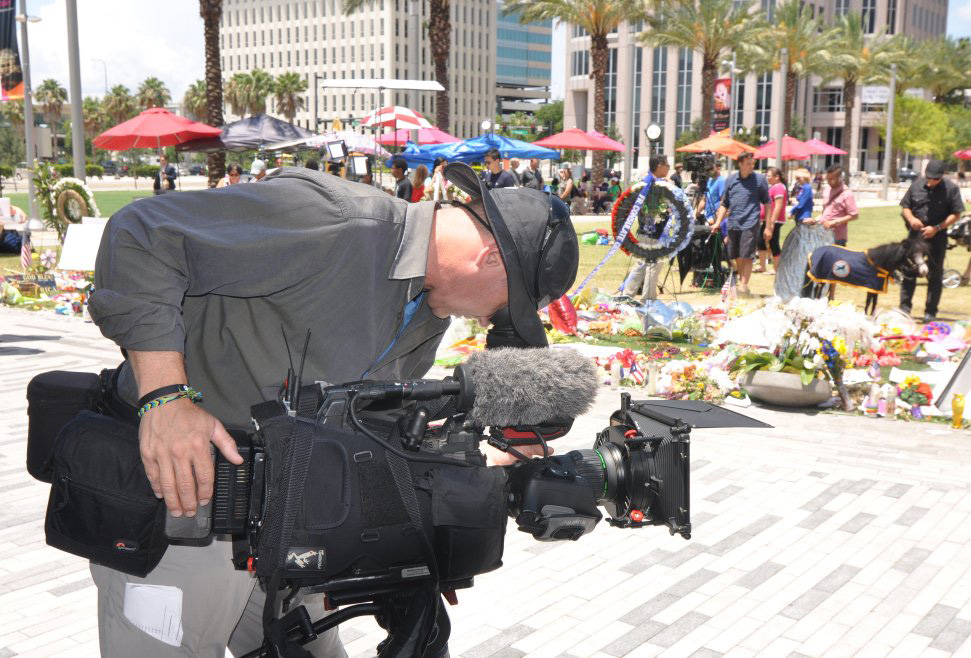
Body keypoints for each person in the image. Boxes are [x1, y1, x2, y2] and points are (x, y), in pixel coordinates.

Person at [86, 162, 579, 657]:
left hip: (290, 522)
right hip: (183, 505)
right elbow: (140, 233)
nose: (487, 319)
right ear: (490, 256)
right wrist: (165, 397)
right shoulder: (336, 220)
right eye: (502, 307)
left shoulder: (429, 305)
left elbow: (360, 410)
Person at [899, 159, 966, 322]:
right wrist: (912, 218)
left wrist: (937, 228)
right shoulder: (916, 185)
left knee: (935, 274)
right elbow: (905, 206)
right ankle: (905, 309)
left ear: (942, 176)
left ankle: (930, 312)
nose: (930, 181)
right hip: (915, 235)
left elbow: (956, 214)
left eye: (934, 179)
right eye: (928, 178)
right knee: (909, 271)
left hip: (937, 235)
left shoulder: (951, 188)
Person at [710, 151, 770, 295]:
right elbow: (725, 203)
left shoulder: (759, 180)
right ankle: (743, 282)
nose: (751, 166)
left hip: (751, 222)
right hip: (733, 223)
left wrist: (768, 226)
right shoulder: (731, 180)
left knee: (747, 254)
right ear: (740, 164)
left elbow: (767, 203)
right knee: (736, 255)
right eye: (748, 163)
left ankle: (743, 284)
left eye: (753, 163)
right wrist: (718, 222)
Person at [775, 168, 832, 301]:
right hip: (800, 216)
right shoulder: (803, 188)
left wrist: (792, 211)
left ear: (804, 178)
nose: (797, 181)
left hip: (804, 217)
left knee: (803, 242)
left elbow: (802, 204)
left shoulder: (806, 188)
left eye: (798, 178)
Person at [622, 155, 670, 302]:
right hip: (652, 231)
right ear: (660, 165)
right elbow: (654, 210)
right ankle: (648, 299)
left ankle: (627, 295)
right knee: (654, 264)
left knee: (642, 263)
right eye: (667, 164)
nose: (668, 167)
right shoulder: (654, 185)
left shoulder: (646, 183)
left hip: (645, 231)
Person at [817, 164, 859, 300]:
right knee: (820, 263)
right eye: (828, 179)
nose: (830, 182)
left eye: (832, 179)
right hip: (823, 234)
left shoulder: (847, 194)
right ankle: (819, 293)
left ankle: (831, 296)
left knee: (835, 266)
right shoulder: (826, 190)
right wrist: (815, 220)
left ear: (840, 178)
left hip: (837, 236)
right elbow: (825, 212)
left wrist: (836, 222)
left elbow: (854, 215)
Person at [758, 167, 788, 273]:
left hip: (774, 221)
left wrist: (772, 223)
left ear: (777, 177)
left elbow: (778, 206)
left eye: (769, 176)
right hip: (768, 220)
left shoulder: (779, 187)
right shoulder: (773, 187)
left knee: (774, 243)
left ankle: (777, 269)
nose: (767, 177)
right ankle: (762, 266)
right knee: (761, 241)